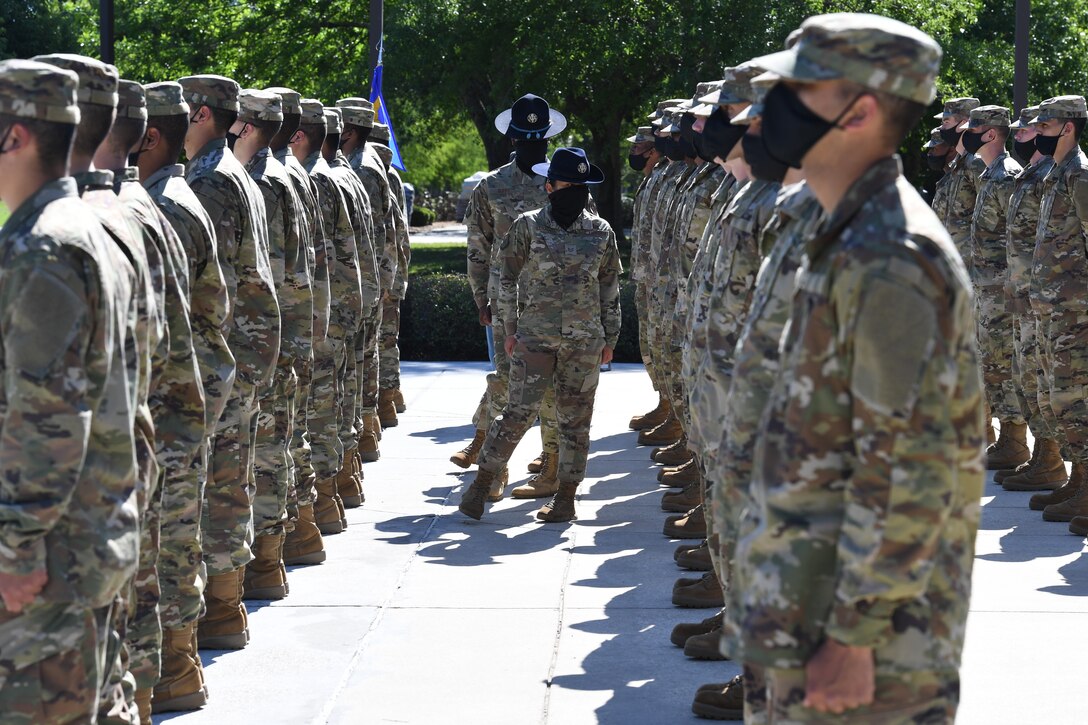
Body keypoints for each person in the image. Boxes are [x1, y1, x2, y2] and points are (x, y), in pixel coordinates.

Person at [733, 13, 983, 720]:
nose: (769, 108)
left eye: (795, 90)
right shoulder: (838, 231)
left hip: (870, 649)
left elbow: (910, 462)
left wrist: (852, 632)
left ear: (861, 109)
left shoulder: (892, 256)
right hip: (809, 609)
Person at [0, 56, 137, 725]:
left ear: (16, 135)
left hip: (49, 561)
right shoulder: (78, 226)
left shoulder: (41, 248)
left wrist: (15, 548)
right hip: (85, 538)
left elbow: (46, 418)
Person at [459, 147, 621, 523]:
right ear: (549, 187)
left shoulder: (600, 231)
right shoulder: (528, 225)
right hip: (535, 337)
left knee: (575, 422)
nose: (576, 191)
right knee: (517, 412)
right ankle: (482, 483)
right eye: (568, 184)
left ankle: (565, 496)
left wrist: (610, 338)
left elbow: (610, 287)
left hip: (584, 342)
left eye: (582, 185)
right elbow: (506, 276)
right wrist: (511, 329)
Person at [138, 79, 233, 714]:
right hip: (185, 392)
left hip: (170, 400)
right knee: (176, 534)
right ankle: (176, 662)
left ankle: (171, 667)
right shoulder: (172, 196)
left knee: (166, 541)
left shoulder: (167, 206)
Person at [178, 73, 280, 651]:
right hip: (239, 351)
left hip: (224, 353)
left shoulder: (212, 182)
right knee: (227, 481)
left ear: (199, 113)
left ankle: (217, 612)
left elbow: (206, 287)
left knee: (215, 489)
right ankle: (226, 603)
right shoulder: (227, 174)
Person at [452, 93, 567, 500]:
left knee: (553, 387)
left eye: (541, 139)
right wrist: (480, 298)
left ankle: (551, 464)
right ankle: (494, 464)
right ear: (514, 140)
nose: (535, 146)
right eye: (527, 139)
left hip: (557, 304)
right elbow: (477, 247)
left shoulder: (565, 180)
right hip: (509, 304)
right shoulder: (492, 187)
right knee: (509, 381)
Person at [230, 88, 309, 601]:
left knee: (260, 453)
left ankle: (264, 560)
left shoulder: (259, 179)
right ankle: (276, 551)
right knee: (274, 445)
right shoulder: (279, 175)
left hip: (260, 336)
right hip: (278, 331)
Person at [999, 105, 1067, 494]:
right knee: (1032, 379)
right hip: (1028, 293)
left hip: (1058, 298)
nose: (1025, 137)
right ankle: (1045, 458)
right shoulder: (1035, 175)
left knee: (1060, 386)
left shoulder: (1066, 174)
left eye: (1031, 131)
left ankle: (1060, 466)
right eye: (1028, 130)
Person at [1029, 95, 1088, 531]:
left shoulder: (1080, 175)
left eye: (1045, 128)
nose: (1038, 135)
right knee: (1059, 400)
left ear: (1068, 128)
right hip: (1054, 309)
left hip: (1076, 311)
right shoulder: (1057, 174)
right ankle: (1080, 480)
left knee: (1077, 400)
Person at [965, 105, 1028, 473]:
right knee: (990, 364)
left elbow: (1017, 235)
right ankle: (1007, 439)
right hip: (984, 288)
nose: (966, 133)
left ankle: (1014, 440)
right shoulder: (990, 174)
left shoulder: (1006, 176)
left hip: (1001, 292)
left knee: (1004, 364)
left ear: (990, 134)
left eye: (973, 127)